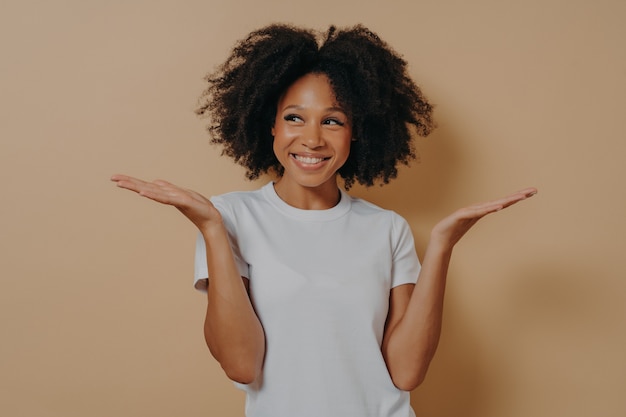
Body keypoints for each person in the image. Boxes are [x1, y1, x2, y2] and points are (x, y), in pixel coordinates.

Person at [111, 24, 536, 417]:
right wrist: (211, 229)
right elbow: (241, 365)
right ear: (271, 125)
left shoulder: (387, 228)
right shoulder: (229, 216)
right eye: (294, 117)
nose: (312, 139)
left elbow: (405, 373)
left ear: (357, 133)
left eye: (332, 121)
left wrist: (443, 245)